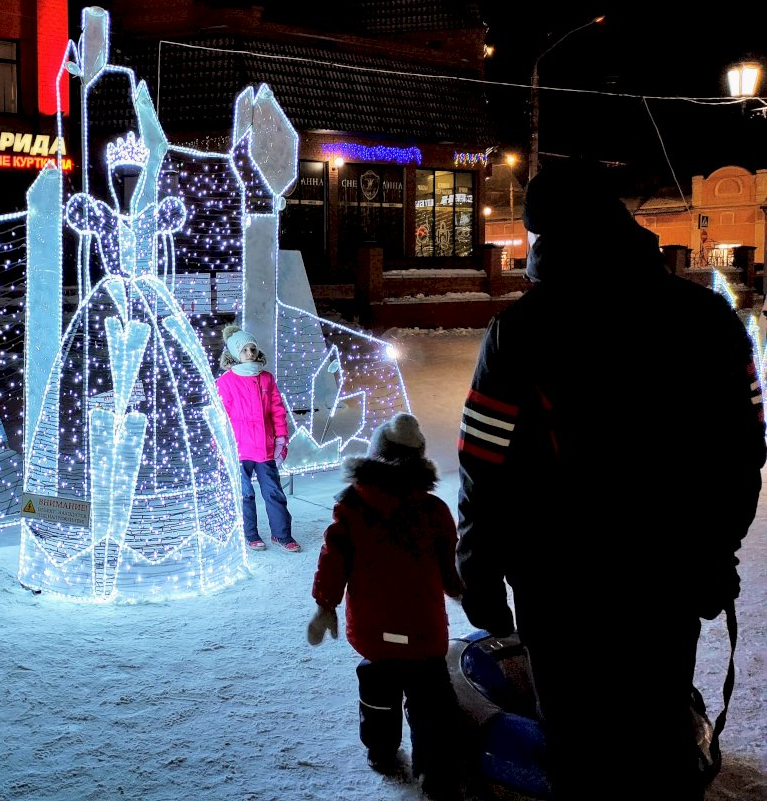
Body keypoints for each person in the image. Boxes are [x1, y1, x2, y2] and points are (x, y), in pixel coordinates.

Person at [456, 159, 764, 801]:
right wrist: (714, 553)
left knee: (578, 744)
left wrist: (480, 570)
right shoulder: (710, 321)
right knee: (657, 728)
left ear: (547, 239)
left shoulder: (522, 330)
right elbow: (742, 452)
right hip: (669, 577)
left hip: (560, 585)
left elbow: (484, 463)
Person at [307, 412, 464, 801]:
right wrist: (460, 590)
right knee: (432, 705)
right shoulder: (433, 511)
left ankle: (380, 750)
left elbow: (333, 560)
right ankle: (436, 771)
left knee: (377, 693)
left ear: (375, 456)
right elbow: (450, 564)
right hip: (424, 633)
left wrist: (326, 605)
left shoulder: (351, 509)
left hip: (375, 634)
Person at [215, 323, 298, 552]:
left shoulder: (266, 379)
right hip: (239, 448)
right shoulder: (226, 382)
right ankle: (250, 534)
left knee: (274, 493)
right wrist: (220, 444)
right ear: (234, 354)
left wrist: (281, 437)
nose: (250, 353)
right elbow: (221, 415)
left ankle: (282, 534)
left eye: (252, 349)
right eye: (244, 350)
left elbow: (277, 409)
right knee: (245, 495)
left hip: (264, 447)